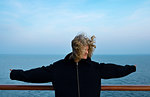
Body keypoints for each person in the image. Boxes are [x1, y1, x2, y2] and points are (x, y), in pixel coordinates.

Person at [10, 33, 136, 97]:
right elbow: (35, 75)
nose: (87, 52)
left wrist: (132, 68)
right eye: (84, 49)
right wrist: (15, 73)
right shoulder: (58, 67)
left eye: (88, 49)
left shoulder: (95, 68)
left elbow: (115, 70)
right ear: (76, 49)